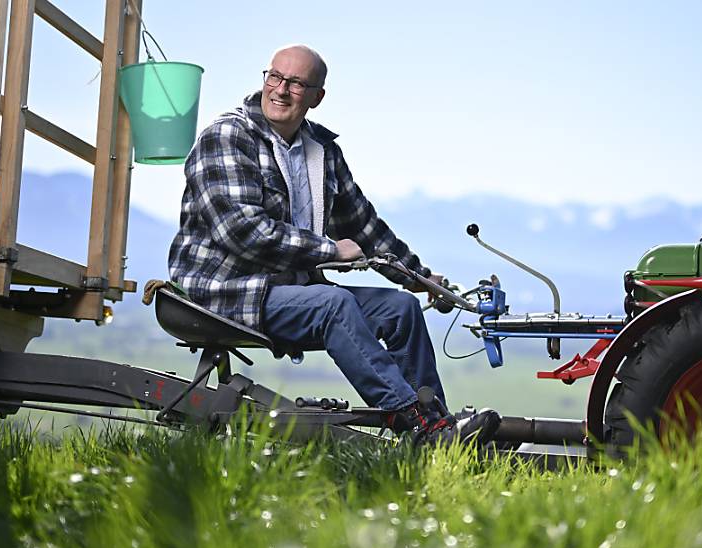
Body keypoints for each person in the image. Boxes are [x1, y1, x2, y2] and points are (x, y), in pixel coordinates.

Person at [169, 45, 499, 445]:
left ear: (316, 97)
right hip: (226, 292)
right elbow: (243, 232)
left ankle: (440, 430)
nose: (280, 90)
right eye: (274, 77)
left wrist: (420, 277)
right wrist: (329, 251)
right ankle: (418, 427)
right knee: (332, 303)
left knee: (401, 309)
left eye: (296, 83)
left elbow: (363, 226)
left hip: (290, 291)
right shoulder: (226, 137)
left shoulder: (321, 151)